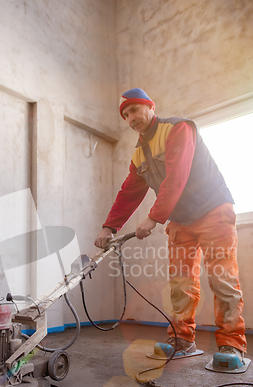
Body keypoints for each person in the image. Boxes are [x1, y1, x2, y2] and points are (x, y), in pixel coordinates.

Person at [95, 87, 247, 361]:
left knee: (222, 279)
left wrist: (153, 218)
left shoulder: (178, 129)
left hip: (213, 210)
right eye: (125, 114)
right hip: (180, 219)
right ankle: (182, 339)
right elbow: (129, 192)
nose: (131, 118)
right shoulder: (139, 155)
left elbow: (176, 176)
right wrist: (109, 227)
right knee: (180, 283)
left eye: (135, 109)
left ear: (151, 106)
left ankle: (232, 345)